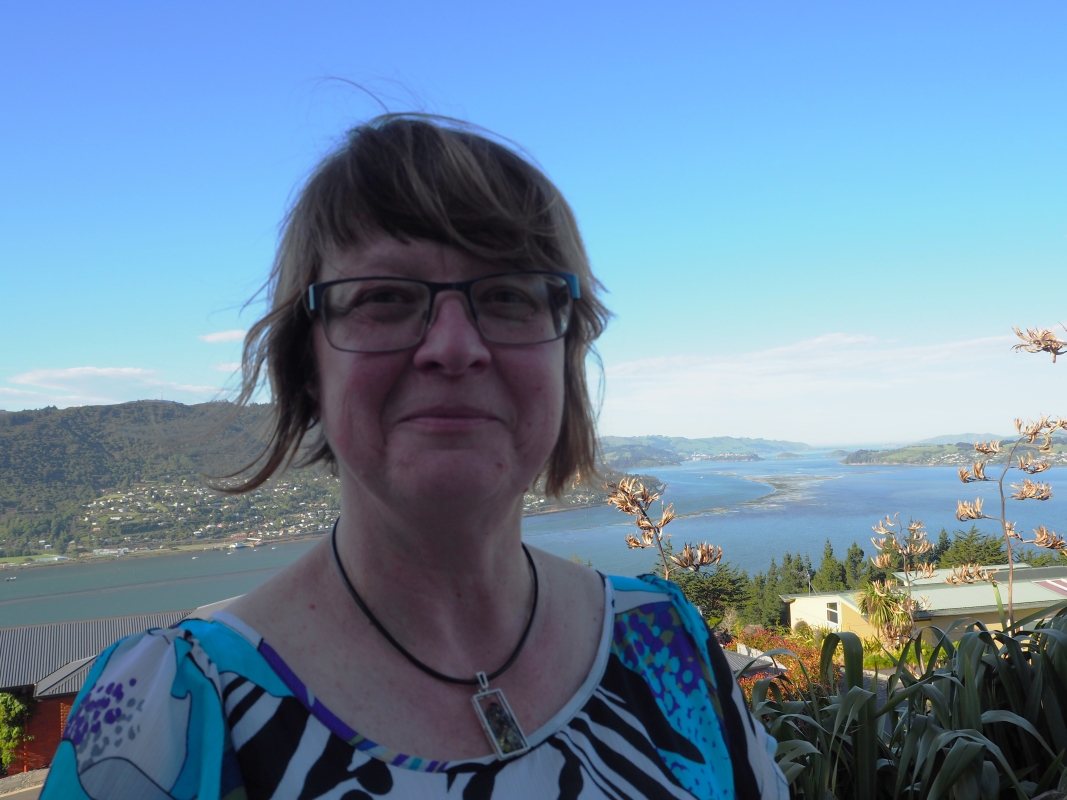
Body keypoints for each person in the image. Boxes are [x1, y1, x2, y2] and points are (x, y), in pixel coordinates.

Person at [41, 115, 788, 799]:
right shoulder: (167, 715)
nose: (454, 347)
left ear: (564, 352)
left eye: (508, 295)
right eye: (384, 298)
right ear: (308, 366)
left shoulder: (665, 645)